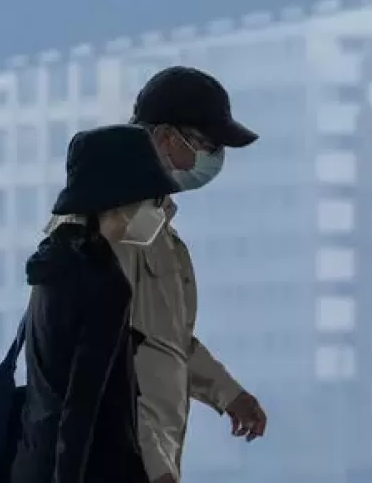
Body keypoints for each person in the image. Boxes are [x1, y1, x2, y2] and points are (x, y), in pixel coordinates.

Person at [118, 66, 268, 483]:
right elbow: (105, 357)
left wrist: (227, 394)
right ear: (167, 138)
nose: (214, 159)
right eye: (207, 145)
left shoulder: (155, 227)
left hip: (149, 459)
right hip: (121, 458)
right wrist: (153, 468)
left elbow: (164, 339)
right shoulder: (116, 224)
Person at [10, 125, 181, 483]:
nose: (161, 210)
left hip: (33, 464)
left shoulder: (51, 266)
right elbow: (81, 408)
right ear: (121, 200)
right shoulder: (104, 284)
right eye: (153, 199)